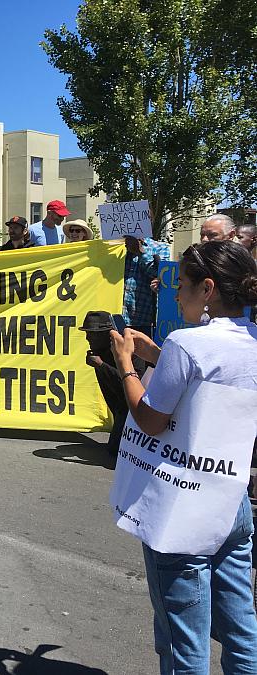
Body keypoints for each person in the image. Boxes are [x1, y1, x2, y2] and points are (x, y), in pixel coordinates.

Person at [109, 240, 257, 674]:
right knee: (240, 629)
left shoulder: (187, 343)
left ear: (207, 289)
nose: (176, 294)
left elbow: (151, 419)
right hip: (232, 503)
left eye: (184, 286)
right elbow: (207, 382)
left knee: (183, 641)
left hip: (183, 508)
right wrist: (157, 355)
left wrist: (125, 365)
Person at [80, 311, 147, 455]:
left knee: (118, 451)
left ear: (106, 334)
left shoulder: (129, 349)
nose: (87, 338)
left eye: (91, 334)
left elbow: (135, 386)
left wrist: (102, 366)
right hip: (123, 407)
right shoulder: (99, 353)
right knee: (114, 448)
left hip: (143, 406)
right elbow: (110, 395)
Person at [122, 236, 160, 336]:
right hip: (115, 317)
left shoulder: (159, 247)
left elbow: (159, 275)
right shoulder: (114, 247)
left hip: (142, 319)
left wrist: (140, 252)